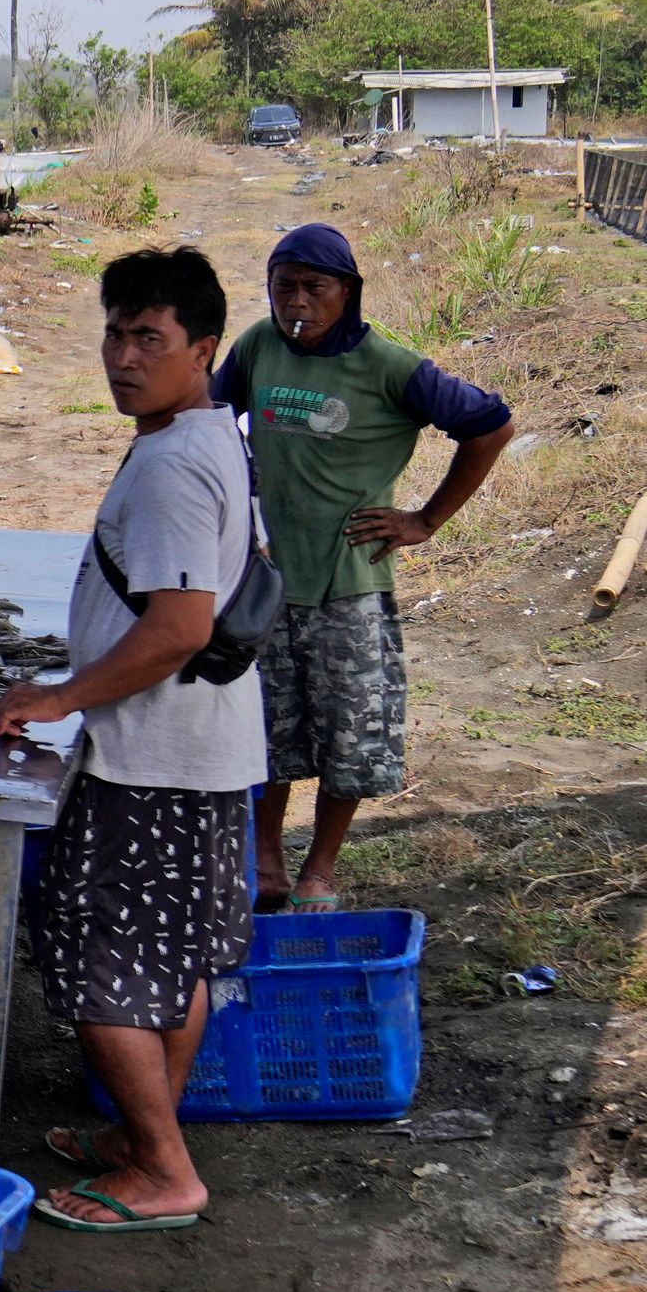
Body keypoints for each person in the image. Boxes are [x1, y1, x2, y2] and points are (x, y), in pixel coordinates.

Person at [0, 248, 266, 1233]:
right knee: (171, 962)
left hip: (150, 758)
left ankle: (163, 1167)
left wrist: (67, 696)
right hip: (204, 752)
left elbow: (180, 627)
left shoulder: (173, 469)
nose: (123, 356)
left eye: (149, 337)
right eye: (115, 332)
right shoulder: (204, 433)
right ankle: (141, 1133)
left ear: (203, 348)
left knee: (103, 969)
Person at [210, 222, 514, 911]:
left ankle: (319, 867)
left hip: (349, 583)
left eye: (314, 288)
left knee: (349, 736)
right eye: (283, 286)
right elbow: (211, 416)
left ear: (347, 292)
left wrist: (424, 520)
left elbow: (492, 426)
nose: (297, 301)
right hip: (264, 582)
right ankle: (265, 859)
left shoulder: (388, 366)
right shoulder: (258, 347)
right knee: (265, 727)